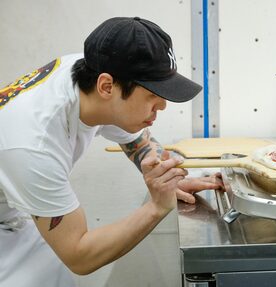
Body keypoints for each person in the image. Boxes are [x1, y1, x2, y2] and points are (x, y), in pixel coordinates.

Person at [0, 17, 224, 286]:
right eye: (154, 95)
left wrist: (165, 176)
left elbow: (135, 138)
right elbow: (80, 256)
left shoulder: (89, 74)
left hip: (14, 215)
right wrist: (156, 207)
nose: (163, 106)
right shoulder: (32, 143)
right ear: (106, 86)